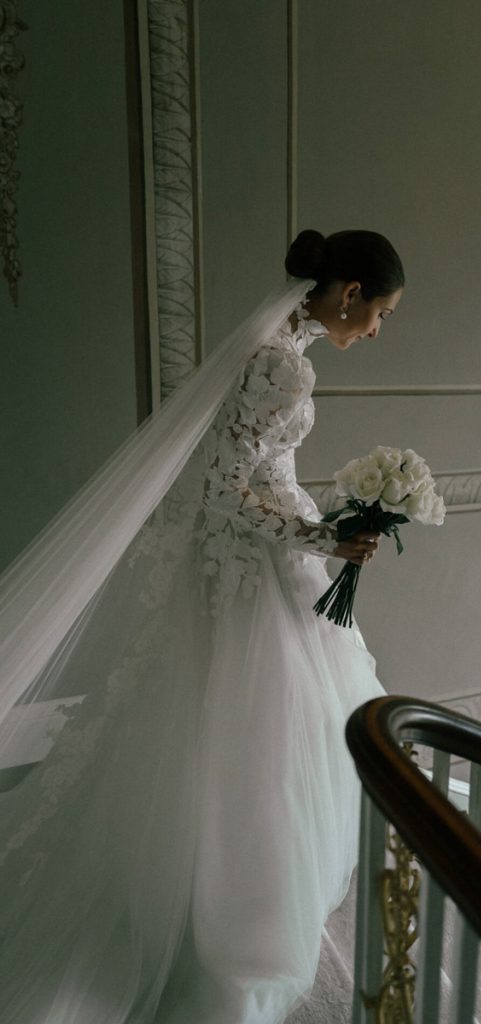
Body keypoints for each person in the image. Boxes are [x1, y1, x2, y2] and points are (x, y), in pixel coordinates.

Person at [0, 229, 404, 1023]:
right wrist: (322, 537)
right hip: (253, 569)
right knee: (261, 736)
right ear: (348, 293)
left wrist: (311, 527)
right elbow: (227, 490)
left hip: (242, 561)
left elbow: (244, 475)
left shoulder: (270, 344)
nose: (378, 329)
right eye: (381, 312)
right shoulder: (285, 363)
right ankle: (237, 921)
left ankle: (193, 883)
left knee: (227, 724)